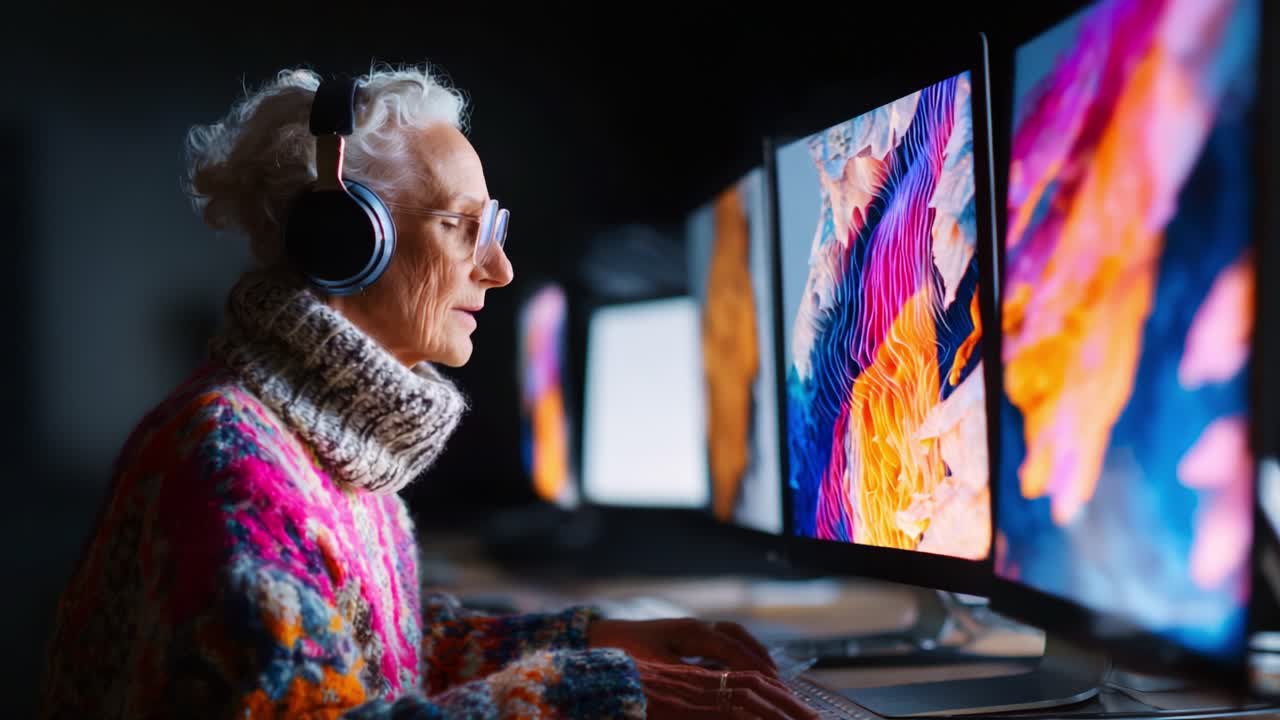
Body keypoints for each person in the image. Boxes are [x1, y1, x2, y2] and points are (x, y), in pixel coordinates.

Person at [36, 63, 818, 720]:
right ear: (348, 239)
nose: (498, 270)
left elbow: (385, 654)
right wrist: (585, 695)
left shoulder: (323, 446)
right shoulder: (234, 461)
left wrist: (591, 640)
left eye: (494, 229)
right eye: (462, 226)